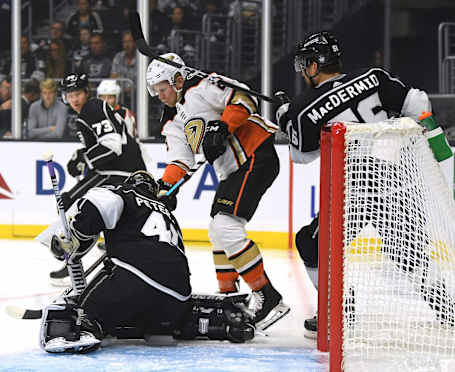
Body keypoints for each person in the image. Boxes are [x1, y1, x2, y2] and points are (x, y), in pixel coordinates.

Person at [276, 31, 455, 336]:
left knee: (311, 244)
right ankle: (447, 310)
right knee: (408, 251)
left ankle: (337, 310)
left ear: (316, 65)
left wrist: (285, 117)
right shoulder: (372, 77)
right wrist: (436, 141)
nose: (304, 70)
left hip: (355, 187)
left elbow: (301, 156)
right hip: (396, 178)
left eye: (306, 63)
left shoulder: (304, 108)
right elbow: (417, 102)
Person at [146, 53, 290, 331]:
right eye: (155, 91)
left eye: (162, 88)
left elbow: (245, 99)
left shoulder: (203, 86)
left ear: (177, 80)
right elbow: (180, 160)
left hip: (255, 154)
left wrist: (223, 126)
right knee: (217, 230)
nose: (159, 95)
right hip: (234, 169)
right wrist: (165, 187)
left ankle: (268, 297)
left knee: (225, 227)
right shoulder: (172, 120)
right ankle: (230, 298)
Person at [40, 171, 255, 353]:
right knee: (146, 303)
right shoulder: (166, 213)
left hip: (133, 282)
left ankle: (88, 321)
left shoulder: (124, 192)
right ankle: (182, 325)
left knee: (83, 308)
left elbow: (97, 204)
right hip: (177, 296)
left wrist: (76, 232)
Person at [38, 72, 146, 285]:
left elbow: (113, 146)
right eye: (70, 95)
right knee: (87, 211)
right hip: (121, 171)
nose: (74, 99)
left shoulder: (93, 108)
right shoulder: (86, 113)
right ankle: (77, 264)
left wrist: (84, 159)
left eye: (77, 93)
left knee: (72, 204)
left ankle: (72, 266)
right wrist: (81, 157)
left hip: (119, 173)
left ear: (86, 93)